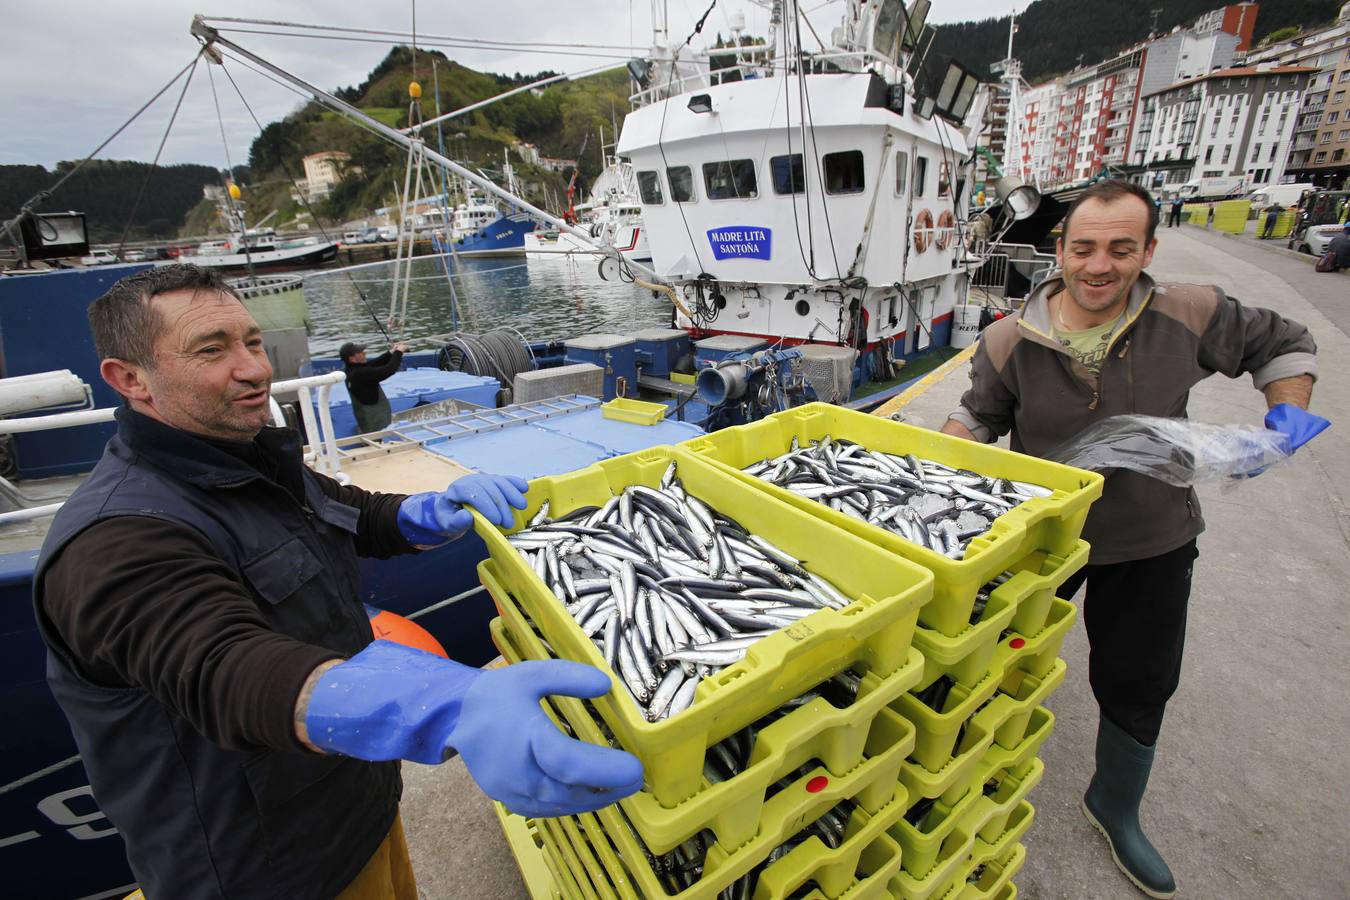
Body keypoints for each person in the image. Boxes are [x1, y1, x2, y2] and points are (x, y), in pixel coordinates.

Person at [33, 265, 643, 899]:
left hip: (356, 806)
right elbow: (222, 664)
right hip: (262, 871)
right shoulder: (115, 539)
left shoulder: (249, 459)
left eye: (250, 341)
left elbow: (347, 513)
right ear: (130, 378)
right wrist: (446, 705)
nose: (254, 368)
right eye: (211, 350)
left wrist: (424, 513)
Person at [940, 180, 1327, 899]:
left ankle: (1114, 807)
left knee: (1140, 681)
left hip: (1152, 537)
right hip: (1044, 540)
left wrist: (1288, 425)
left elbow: (1286, 346)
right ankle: (970, 772)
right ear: (1059, 251)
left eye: (1121, 249)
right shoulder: (1006, 339)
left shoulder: (1190, 312)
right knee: (987, 664)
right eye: (1083, 248)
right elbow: (977, 418)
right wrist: (936, 466)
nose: (1099, 266)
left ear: (1148, 251)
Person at [342, 339, 408, 433]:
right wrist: (399, 352)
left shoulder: (351, 369)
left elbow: (374, 363)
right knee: (379, 435)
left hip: (363, 414)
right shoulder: (361, 373)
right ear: (352, 358)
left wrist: (391, 352)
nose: (364, 353)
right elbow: (389, 370)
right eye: (360, 352)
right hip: (374, 418)